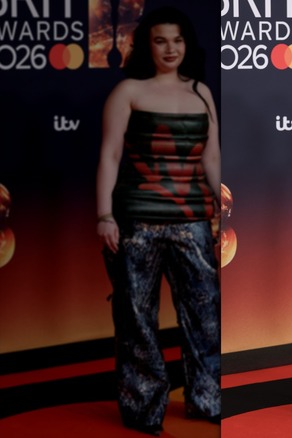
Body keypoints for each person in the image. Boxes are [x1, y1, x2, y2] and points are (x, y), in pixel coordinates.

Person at [95, 6, 220, 435]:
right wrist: (105, 216)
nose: (171, 48)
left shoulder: (202, 91)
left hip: (193, 220)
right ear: (148, 45)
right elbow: (110, 156)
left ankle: (207, 400)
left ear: (187, 45)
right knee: (136, 318)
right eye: (161, 40)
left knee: (205, 314)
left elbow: (211, 156)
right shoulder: (128, 90)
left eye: (178, 40)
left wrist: (219, 209)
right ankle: (144, 410)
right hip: (137, 222)